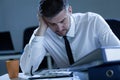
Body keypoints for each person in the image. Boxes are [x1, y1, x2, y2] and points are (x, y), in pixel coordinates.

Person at [20, 0, 120, 79]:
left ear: (70, 10)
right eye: (52, 24)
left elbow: (117, 53)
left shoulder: (93, 21)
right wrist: (41, 29)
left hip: (98, 76)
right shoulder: (42, 32)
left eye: (62, 21)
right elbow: (27, 69)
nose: (59, 28)